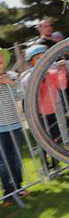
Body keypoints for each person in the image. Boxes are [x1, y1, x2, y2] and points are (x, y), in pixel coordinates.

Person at [21, 45, 67, 171]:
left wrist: (62, 70)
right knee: (43, 141)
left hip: (52, 111)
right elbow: (28, 93)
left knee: (55, 139)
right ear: (31, 61)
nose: (41, 60)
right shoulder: (28, 76)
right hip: (38, 114)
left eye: (43, 57)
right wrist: (39, 78)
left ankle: (56, 164)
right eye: (37, 58)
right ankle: (45, 167)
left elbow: (62, 86)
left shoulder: (51, 73)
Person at [0, 48, 29, 207]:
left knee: (17, 157)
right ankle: (7, 192)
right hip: (0, 128)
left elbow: (21, 95)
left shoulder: (12, 75)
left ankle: (19, 187)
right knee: (3, 161)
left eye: (1, 57)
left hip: (15, 124)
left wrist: (10, 83)